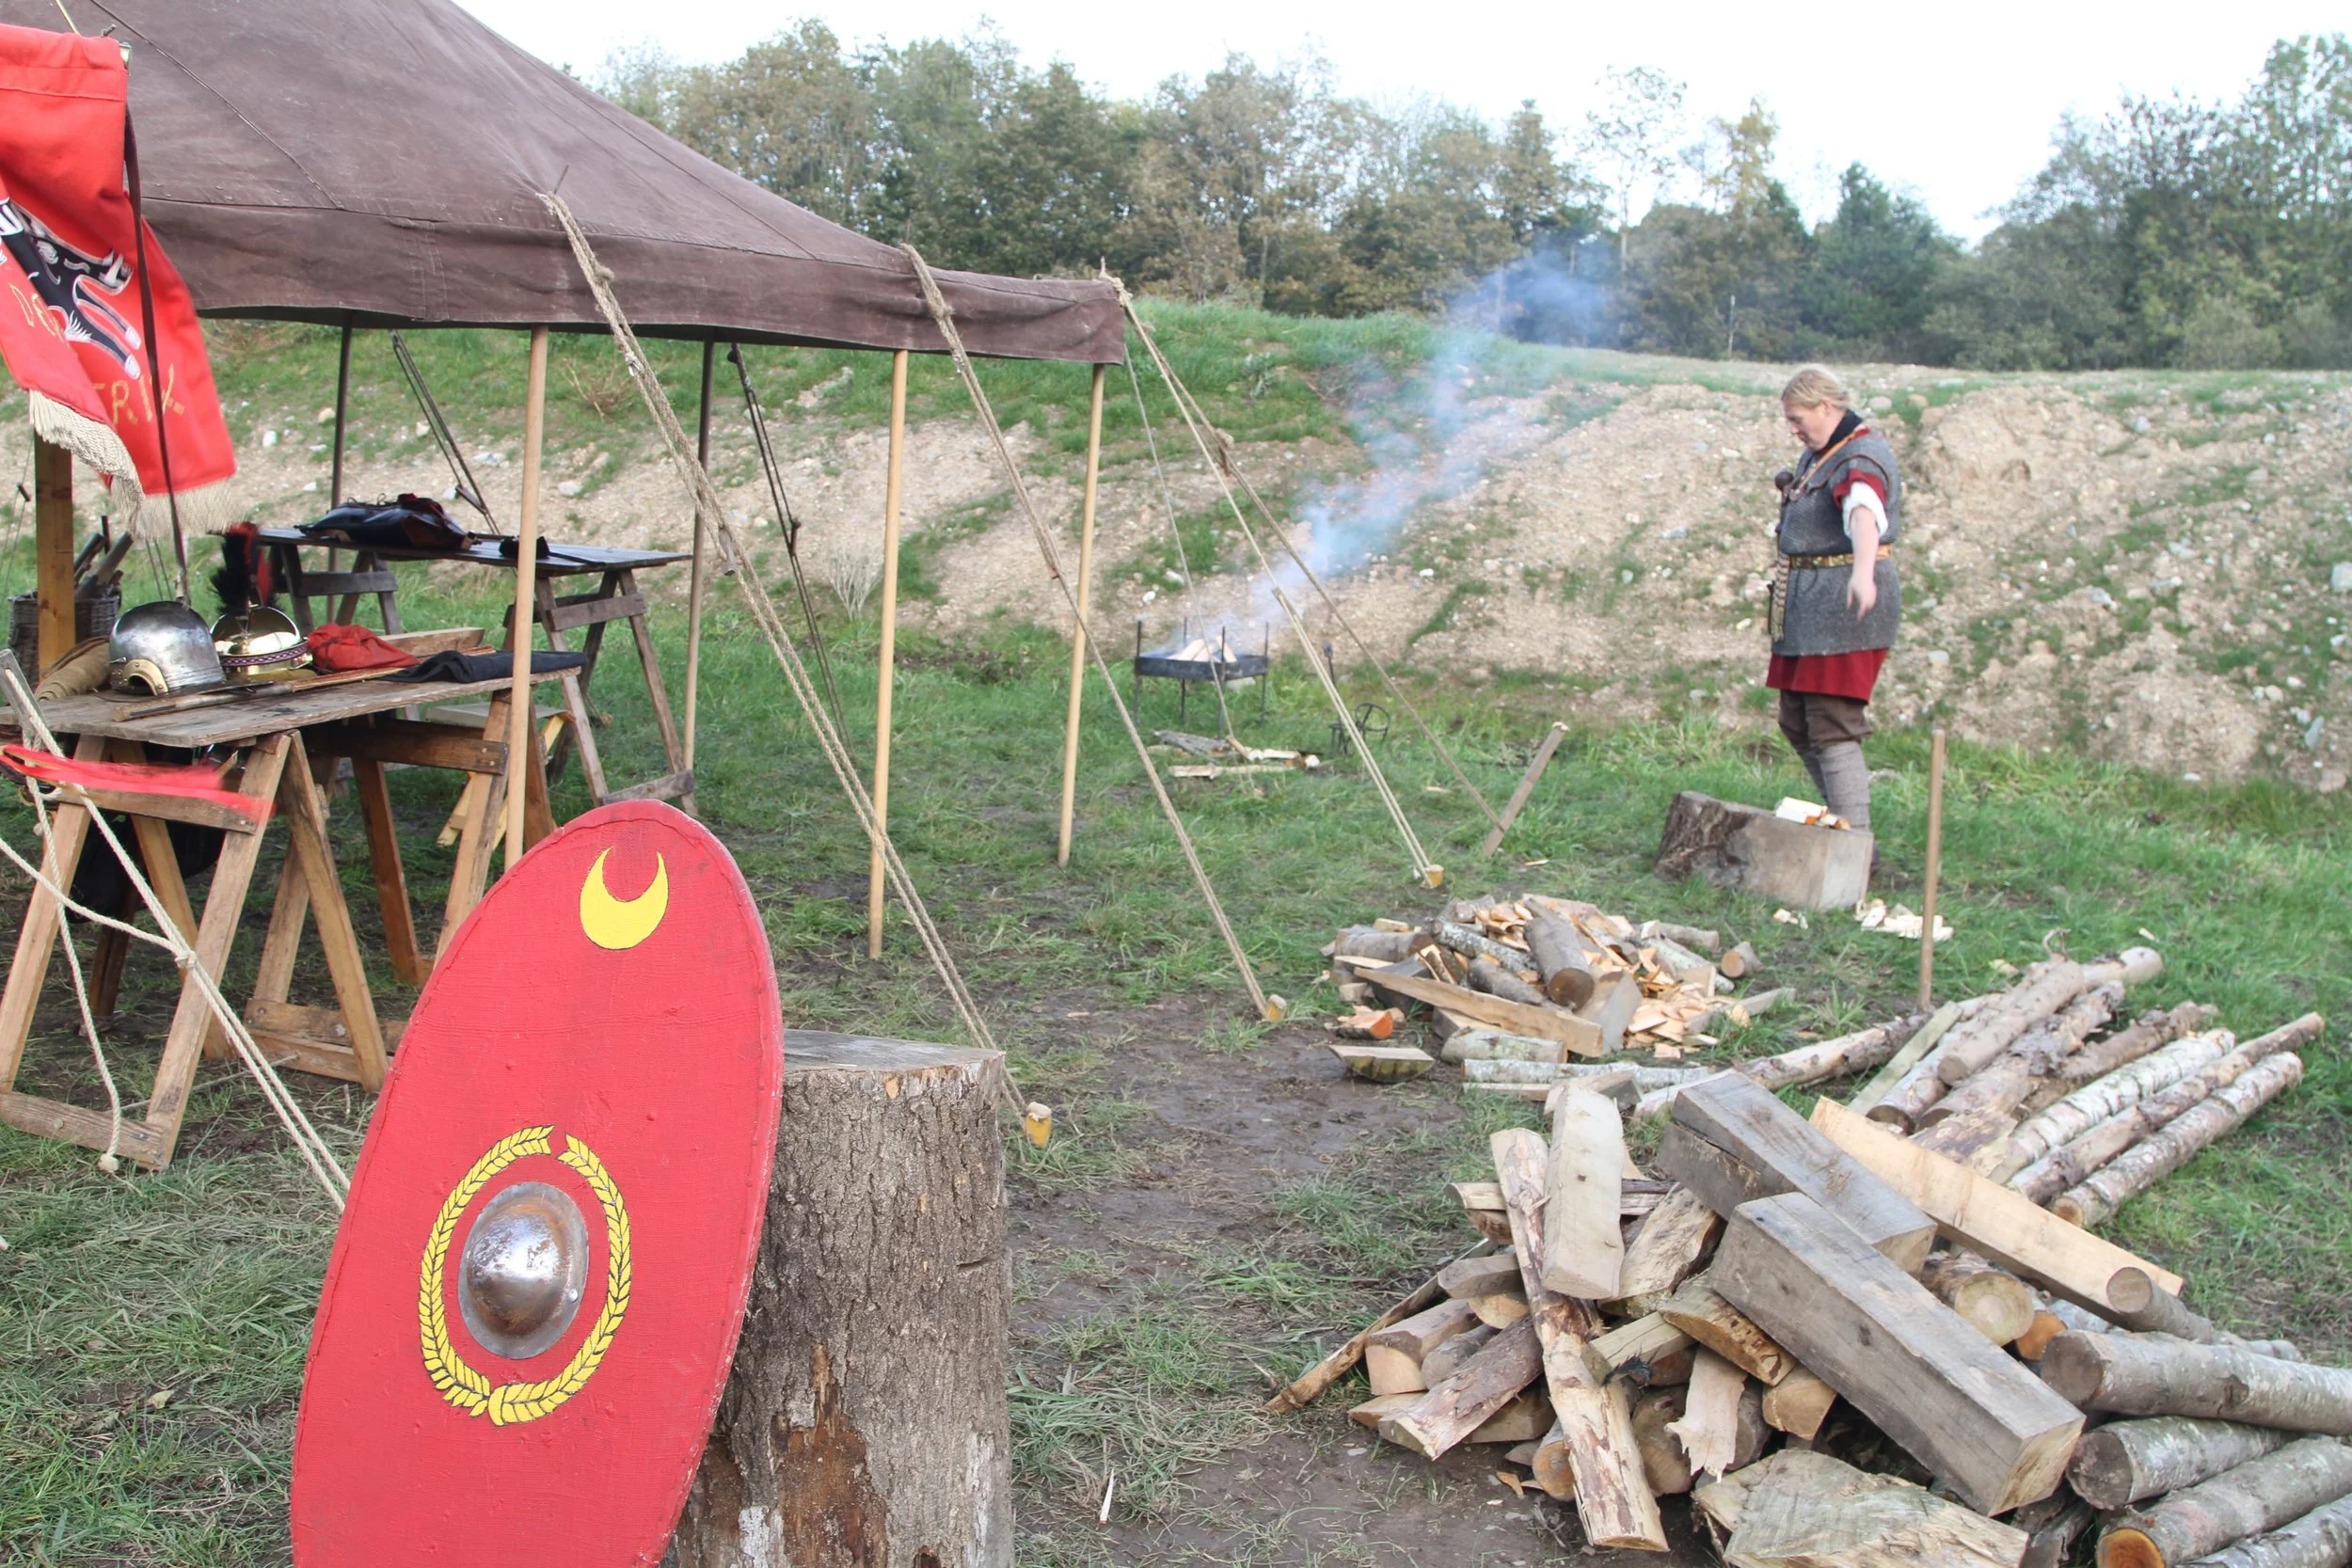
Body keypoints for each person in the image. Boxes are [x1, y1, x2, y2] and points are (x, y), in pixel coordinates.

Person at [1766, 364, 1900, 838]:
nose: (1793, 428)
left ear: (1825, 406)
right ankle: (1846, 830)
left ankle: (1855, 848)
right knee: (1797, 723)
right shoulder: (1821, 455)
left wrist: (1862, 574)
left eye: (1798, 418)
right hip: (1810, 609)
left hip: (1843, 607)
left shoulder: (1861, 455)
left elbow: (1863, 512)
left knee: (1831, 724)